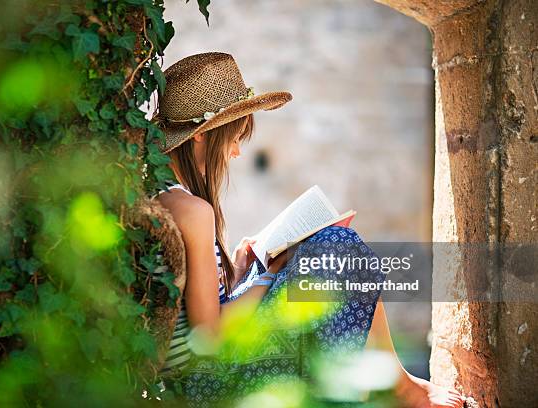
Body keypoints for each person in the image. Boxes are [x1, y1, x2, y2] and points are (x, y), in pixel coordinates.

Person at [152, 52, 465, 408]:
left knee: (327, 250)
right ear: (201, 136)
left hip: (193, 380)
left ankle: (393, 384)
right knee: (337, 246)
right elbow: (211, 339)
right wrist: (268, 275)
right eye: (234, 137)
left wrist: (238, 275)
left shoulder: (162, 196)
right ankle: (395, 387)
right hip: (204, 387)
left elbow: (196, 318)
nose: (237, 152)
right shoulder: (194, 211)